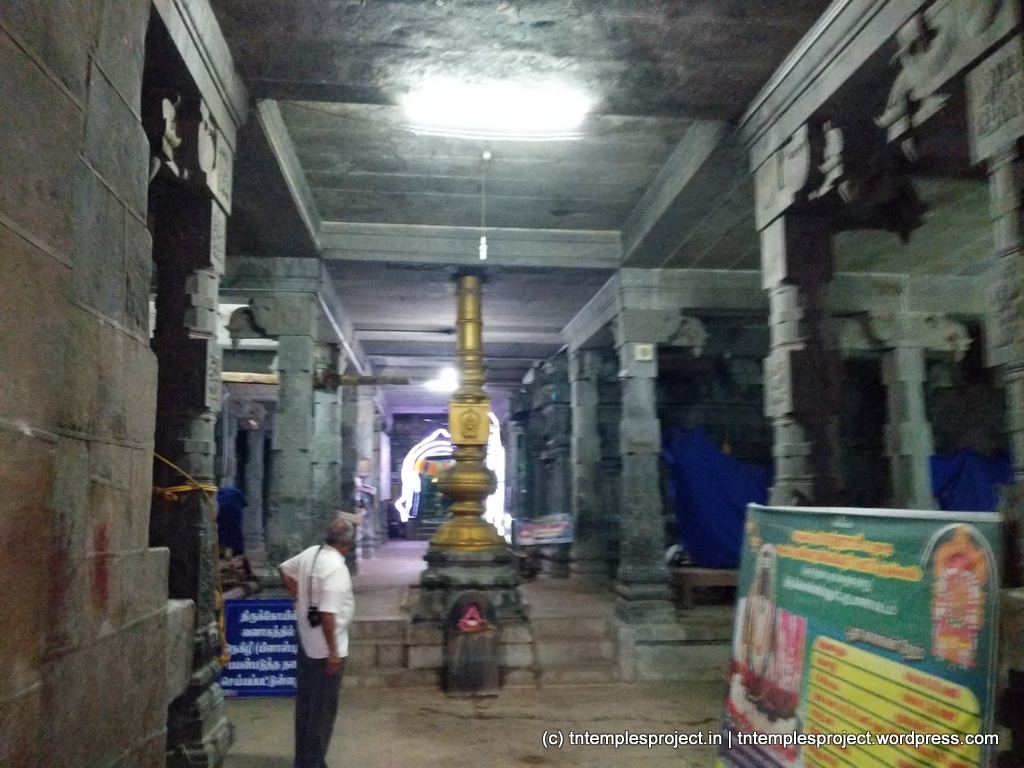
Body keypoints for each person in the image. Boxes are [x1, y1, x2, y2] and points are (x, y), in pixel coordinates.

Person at [278, 519, 356, 768]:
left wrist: (299, 595)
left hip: (305, 638)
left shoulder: (312, 553)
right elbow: (327, 615)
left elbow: (283, 569)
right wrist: (333, 652)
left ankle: (303, 760)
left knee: (306, 703)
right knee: (323, 709)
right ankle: (313, 762)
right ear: (347, 544)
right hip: (325, 648)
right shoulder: (336, 569)